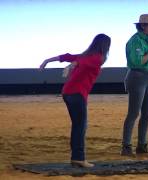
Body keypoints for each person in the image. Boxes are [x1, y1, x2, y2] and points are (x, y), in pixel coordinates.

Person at [39, 34, 111, 167]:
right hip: (77, 94)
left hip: (68, 92)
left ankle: (76, 157)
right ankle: (78, 158)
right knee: (80, 126)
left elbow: (66, 57)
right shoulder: (97, 58)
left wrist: (47, 60)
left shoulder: (85, 55)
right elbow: (76, 62)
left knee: (78, 125)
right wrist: (70, 66)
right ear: (106, 46)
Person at [121, 14, 148, 156]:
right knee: (133, 113)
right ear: (143, 25)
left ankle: (141, 145)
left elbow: (147, 61)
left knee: (147, 113)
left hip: (147, 77)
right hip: (137, 77)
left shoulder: (147, 39)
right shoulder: (136, 40)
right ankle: (126, 146)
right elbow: (137, 62)